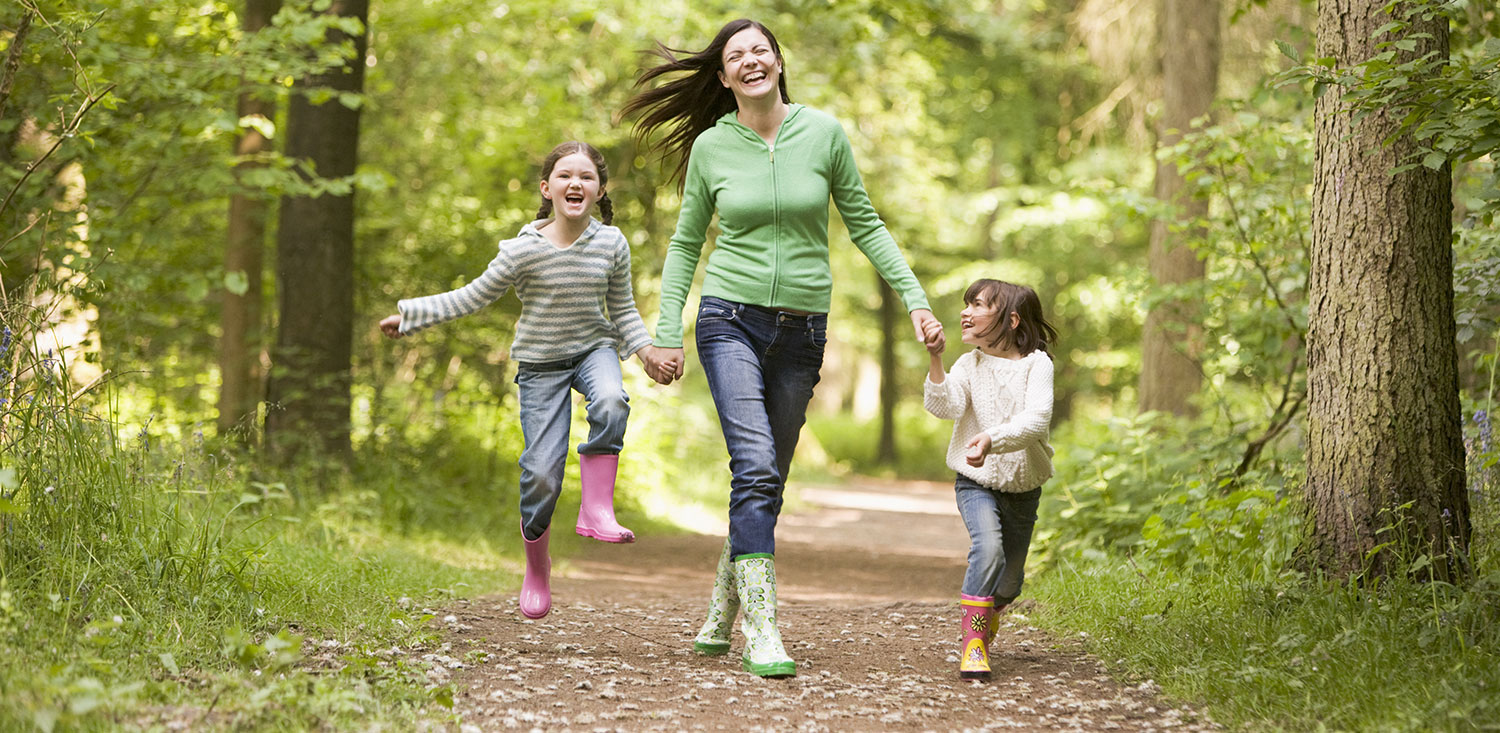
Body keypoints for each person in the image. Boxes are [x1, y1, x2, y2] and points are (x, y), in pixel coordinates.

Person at [622, 18, 946, 678]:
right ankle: (762, 629)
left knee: (767, 480)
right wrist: (665, 331)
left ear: (777, 62)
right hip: (728, 320)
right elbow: (687, 243)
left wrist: (915, 298)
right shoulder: (714, 146)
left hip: (803, 330)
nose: (750, 61)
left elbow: (865, 222)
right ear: (722, 76)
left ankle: (722, 603)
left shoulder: (823, 133)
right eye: (735, 55)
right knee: (757, 465)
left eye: (759, 51)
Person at [378, 141, 679, 620]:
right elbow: (471, 297)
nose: (575, 183)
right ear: (547, 188)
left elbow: (622, 310)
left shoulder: (612, 243)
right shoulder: (522, 251)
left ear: (600, 190)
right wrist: (410, 316)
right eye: (564, 175)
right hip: (540, 364)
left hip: (593, 351)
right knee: (541, 473)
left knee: (611, 401)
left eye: (586, 176)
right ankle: (537, 567)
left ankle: (595, 510)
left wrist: (645, 354)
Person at [922, 278, 1057, 681]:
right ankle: (974, 644)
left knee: (1010, 583)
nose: (965, 312)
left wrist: (992, 438)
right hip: (974, 480)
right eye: (966, 304)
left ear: (1011, 319)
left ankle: (990, 611)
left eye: (977, 304)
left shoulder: (1037, 365)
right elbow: (945, 407)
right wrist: (935, 360)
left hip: (1023, 487)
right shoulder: (969, 364)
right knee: (989, 548)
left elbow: (1036, 420)